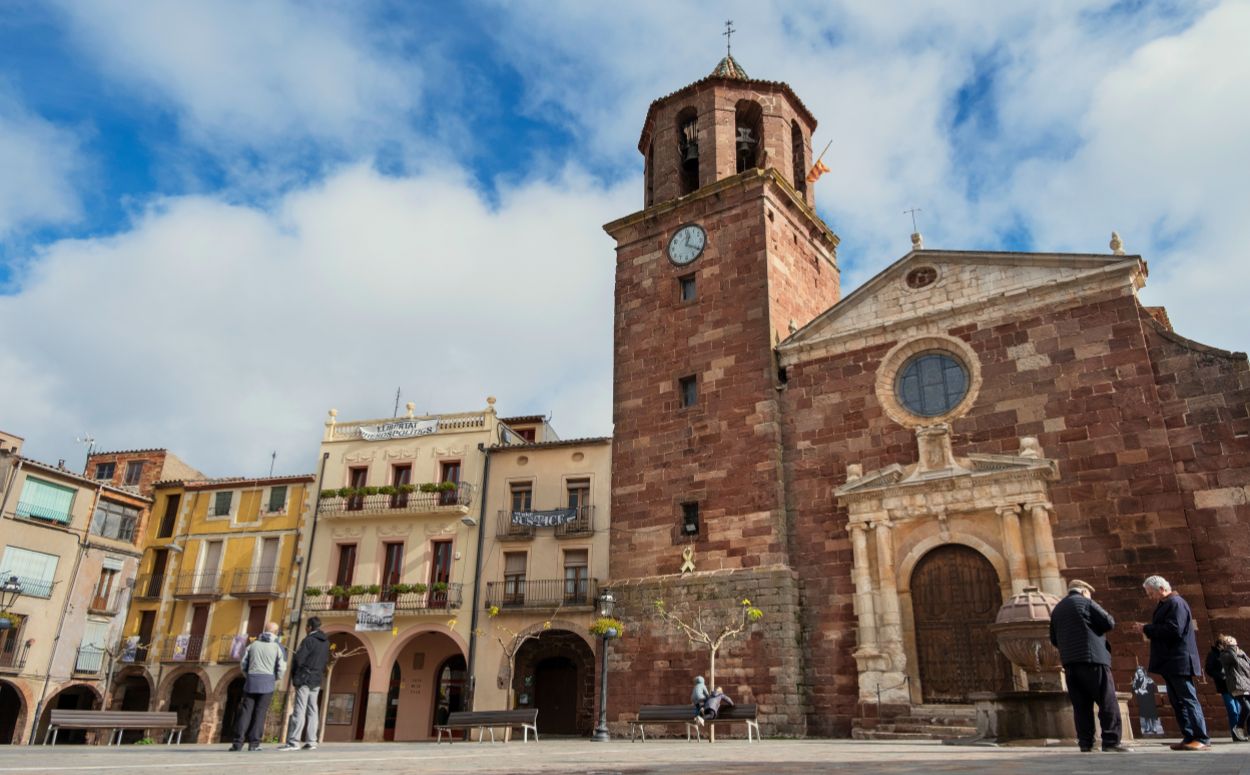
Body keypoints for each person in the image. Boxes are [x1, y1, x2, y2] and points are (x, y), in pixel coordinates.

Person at [1048, 579, 1130, 752]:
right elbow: (1109, 622)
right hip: (1093, 659)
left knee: (1081, 706)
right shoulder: (1085, 602)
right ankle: (1111, 741)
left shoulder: (1058, 609)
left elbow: (1054, 639)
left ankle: (1085, 743)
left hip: (1070, 663)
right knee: (1107, 701)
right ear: (1084, 591)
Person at [1136, 575, 1210, 750]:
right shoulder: (1167, 604)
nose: (1150, 597)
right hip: (1170, 661)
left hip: (1179, 660)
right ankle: (1189, 736)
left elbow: (1174, 630)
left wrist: (1146, 628)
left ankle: (1201, 738)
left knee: (1188, 699)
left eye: (1151, 593)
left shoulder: (1176, 603)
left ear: (1161, 589)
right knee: (1177, 701)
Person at [230, 622, 287, 752]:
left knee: (245, 712)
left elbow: (243, 663)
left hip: (251, 681)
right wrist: (275, 678)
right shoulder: (278, 647)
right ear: (276, 632)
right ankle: (254, 744)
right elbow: (282, 667)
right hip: (267, 682)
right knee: (260, 713)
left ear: (264, 630)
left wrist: (248, 675)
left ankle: (237, 743)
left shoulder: (252, 645)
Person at [279, 617, 331, 752]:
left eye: (306, 627)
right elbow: (325, 660)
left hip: (305, 678)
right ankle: (311, 740)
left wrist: (295, 676)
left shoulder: (308, 640)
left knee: (299, 709)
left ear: (308, 627)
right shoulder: (325, 642)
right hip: (317, 679)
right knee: (313, 710)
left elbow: (299, 659)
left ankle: (293, 741)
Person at [1206, 637, 1245, 742]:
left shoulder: (1232, 652)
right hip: (1225, 686)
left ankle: (1240, 732)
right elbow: (1209, 669)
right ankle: (1235, 735)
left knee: (1241, 709)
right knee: (1233, 710)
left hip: (1237, 685)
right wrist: (1220, 676)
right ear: (1220, 645)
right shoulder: (1213, 655)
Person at [1216, 635, 1250, 742]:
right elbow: (1233, 660)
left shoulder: (1242, 653)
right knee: (1246, 707)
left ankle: (1248, 732)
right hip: (1237, 685)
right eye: (1228, 641)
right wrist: (1231, 648)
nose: (1231, 641)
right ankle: (1238, 727)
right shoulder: (1225, 654)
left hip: (1247, 684)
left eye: (1232, 640)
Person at [1131, 666, 1164, 736]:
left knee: (1152, 714)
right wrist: (1137, 689)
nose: (1139, 673)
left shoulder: (1149, 680)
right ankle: (1148, 727)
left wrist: (1143, 691)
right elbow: (1134, 688)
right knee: (1145, 714)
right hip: (1142, 700)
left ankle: (1154, 727)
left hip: (1150, 699)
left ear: (1143, 672)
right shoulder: (1136, 680)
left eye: (1140, 672)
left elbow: (1152, 688)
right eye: (1138, 672)